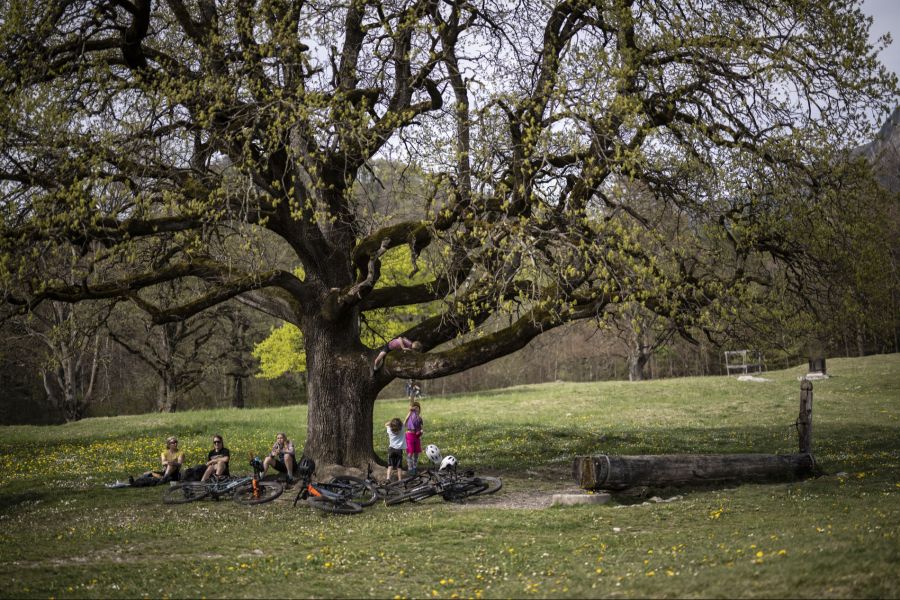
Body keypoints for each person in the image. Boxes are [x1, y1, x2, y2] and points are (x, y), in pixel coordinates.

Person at [404, 401, 424, 475]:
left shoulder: (420, 418)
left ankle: (415, 467)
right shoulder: (409, 415)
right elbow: (405, 422)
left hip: (417, 436)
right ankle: (410, 468)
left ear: (419, 409)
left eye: (417, 407)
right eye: (414, 407)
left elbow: (421, 427)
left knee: (416, 453)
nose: (416, 408)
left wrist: (421, 432)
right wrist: (410, 411)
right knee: (410, 453)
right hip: (409, 436)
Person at [384, 417, 405, 482]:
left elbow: (386, 424)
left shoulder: (389, 430)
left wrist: (392, 422)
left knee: (390, 466)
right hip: (399, 450)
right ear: (400, 426)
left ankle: (388, 478)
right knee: (399, 467)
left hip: (391, 450)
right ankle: (400, 480)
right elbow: (404, 422)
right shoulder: (402, 430)